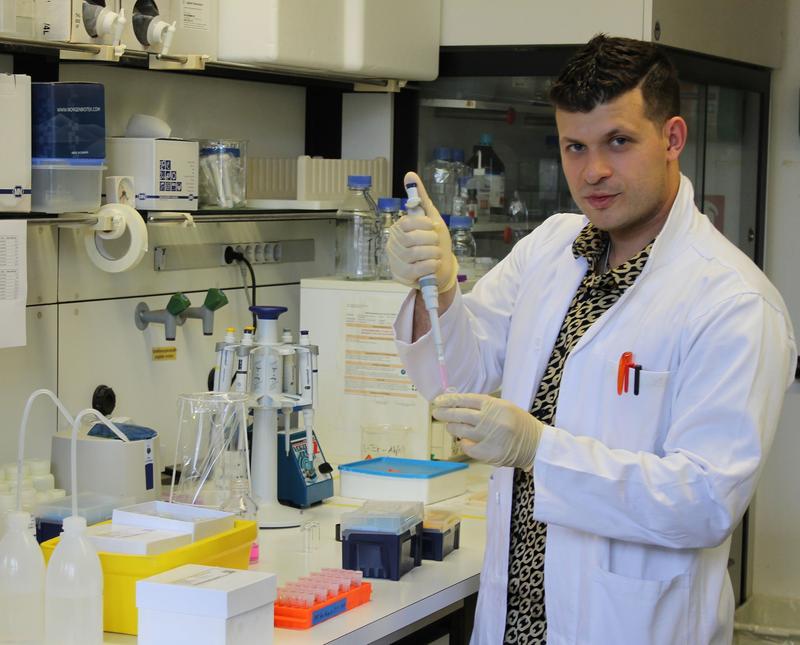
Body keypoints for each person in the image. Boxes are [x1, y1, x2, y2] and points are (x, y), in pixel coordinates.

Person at [388, 35, 796, 645]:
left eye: (619, 142)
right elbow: (463, 378)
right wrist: (440, 288)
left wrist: (536, 449)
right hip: (515, 620)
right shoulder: (551, 247)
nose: (593, 170)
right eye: (574, 146)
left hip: (630, 626)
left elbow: (706, 501)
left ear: (673, 138)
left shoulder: (733, 301)